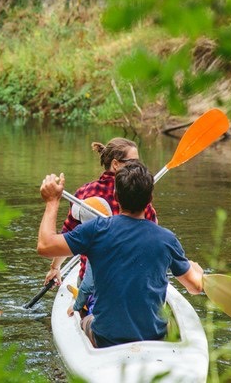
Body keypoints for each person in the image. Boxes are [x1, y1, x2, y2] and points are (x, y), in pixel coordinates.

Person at [36, 162, 204, 348]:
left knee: (87, 320)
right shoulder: (167, 239)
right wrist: (197, 271)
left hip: (105, 338)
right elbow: (195, 287)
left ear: (116, 196)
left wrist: (52, 202)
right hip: (153, 337)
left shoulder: (96, 231)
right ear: (150, 198)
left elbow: (45, 246)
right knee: (169, 322)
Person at [44, 137, 157, 287]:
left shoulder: (84, 193)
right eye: (133, 163)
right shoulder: (139, 196)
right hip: (132, 281)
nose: (138, 168)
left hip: (90, 281)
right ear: (115, 164)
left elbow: (68, 236)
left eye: (138, 163)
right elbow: (153, 239)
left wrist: (55, 267)